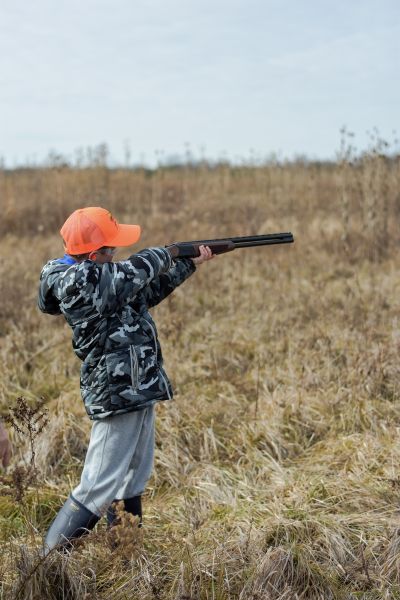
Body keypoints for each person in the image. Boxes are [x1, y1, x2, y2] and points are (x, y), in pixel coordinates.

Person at [38, 207, 213, 553]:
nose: (116, 254)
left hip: (137, 386)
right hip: (115, 390)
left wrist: (188, 264)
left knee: (132, 478)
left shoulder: (104, 279)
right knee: (97, 485)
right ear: (93, 254)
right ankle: (47, 567)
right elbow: (130, 273)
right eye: (110, 249)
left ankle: (125, 555)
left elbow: (143, 292)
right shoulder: (77, 281)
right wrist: (169, 252)